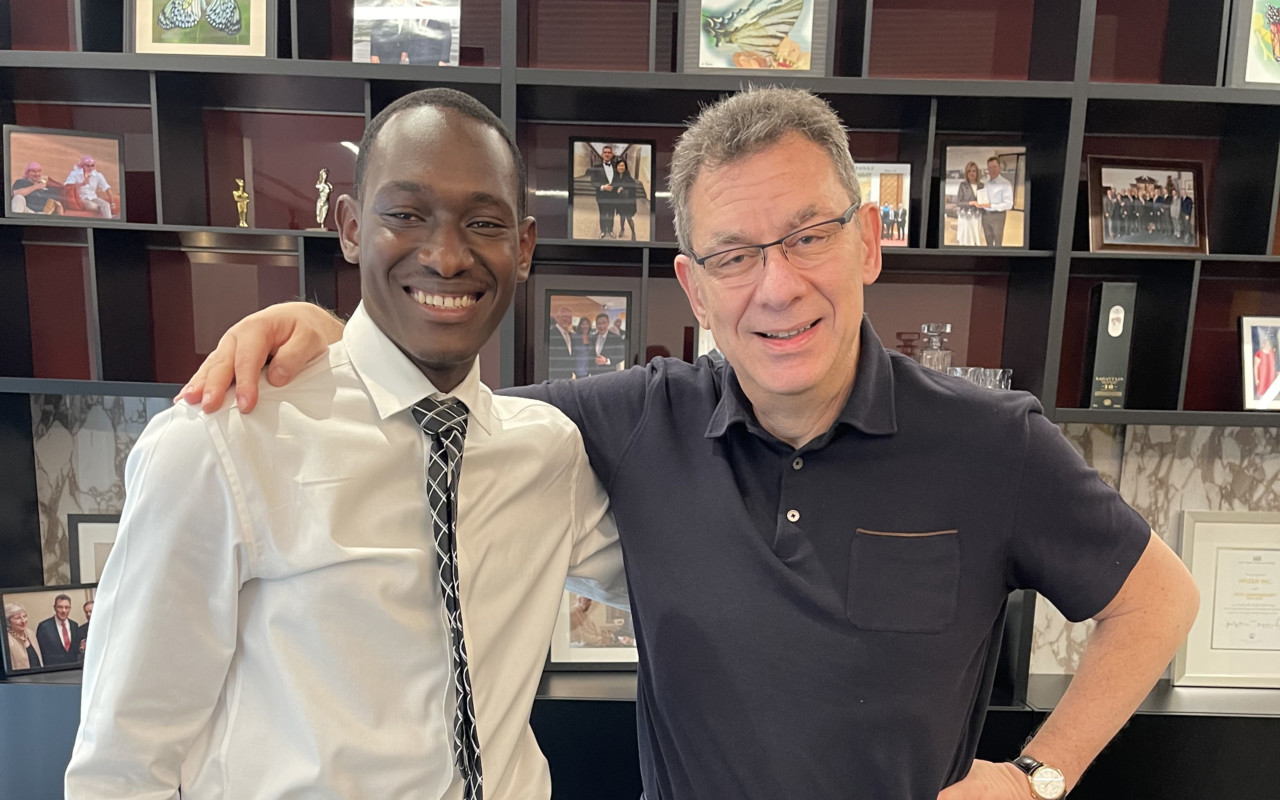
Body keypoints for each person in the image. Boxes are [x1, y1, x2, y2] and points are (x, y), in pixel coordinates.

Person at [183, 87, 1200, 800]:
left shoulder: (992, 443)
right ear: (693, 284)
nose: (776, 284)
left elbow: (1157, 596)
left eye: (807, 234)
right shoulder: (624, 422)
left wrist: (1038, 773)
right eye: (734, 253)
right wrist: (329, 335)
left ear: (867, 240)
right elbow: (445, 400)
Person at [65, 87, 625, 800]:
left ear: (522, 247)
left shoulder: (548, 456)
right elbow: (123, 758)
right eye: (406, 214)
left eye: (483, 222)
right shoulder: (221, 444)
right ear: (353, 228)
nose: (447, 256)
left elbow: (681, 584)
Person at [35, 593, 80, 666]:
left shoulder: (74, 625)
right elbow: (41, 653)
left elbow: (75, 650)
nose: (64, 610)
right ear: (54, 608)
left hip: (72, 670)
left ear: (70, 608)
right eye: (60, 607)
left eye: (67, 607)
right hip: (53, 671)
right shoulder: (44, 627)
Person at [979, 156, 1014, 247]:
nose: (992, 170)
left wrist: (992, 206)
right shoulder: (986, 183)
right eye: (990, 167)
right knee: (988, 241)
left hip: (998, 216)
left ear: (999, 167)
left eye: (994, 166)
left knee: (998, 242)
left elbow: (1009, 204)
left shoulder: (1006, 184)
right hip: (985, 216)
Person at [588, 144, 618, 238]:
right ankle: (603, 231)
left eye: (609, 152)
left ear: (612, 154)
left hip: (614, 195)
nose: (607, 154)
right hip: (602, 195)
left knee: (611, 214)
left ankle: (610, 230)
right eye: (605, 152)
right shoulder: (596, 167)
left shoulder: (617, 166)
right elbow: (593, 182)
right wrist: (602, 187)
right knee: (603, 213)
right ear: (602, 154)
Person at [612, 157, 644, 240]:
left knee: (629, 218)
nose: (621, 167)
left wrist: (623, 188)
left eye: (622, 166)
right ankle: (622, 229)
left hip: (628, 202)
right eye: (619, 166)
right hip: (619, 201)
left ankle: (633, 232)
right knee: (621, 216)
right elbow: (614, 186)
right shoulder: (615, 177)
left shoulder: (629, 178)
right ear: (616, 167)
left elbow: (633, 189)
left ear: (625, 167)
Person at [4, 602, 43, 672]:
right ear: (8, 621)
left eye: (24, 616)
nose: (23, 621)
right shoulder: (6, 640)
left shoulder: (31, 633)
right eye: (18, 618)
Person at [548, 304, 583, 379]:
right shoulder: (550, 334)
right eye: (564, 316)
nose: (567, 319)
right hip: (555, 377)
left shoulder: (571, 335)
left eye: (569, 317)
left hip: (567, 377)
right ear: (557, 318)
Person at [953, 161, 984, 246]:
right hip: (966, 216)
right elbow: (958, 202)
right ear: (966, 173)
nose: (971, 173)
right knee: (966, 239)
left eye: (974, 171)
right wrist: (971, 203)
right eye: (969, 171)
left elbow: (984, 200)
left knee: (976, 239)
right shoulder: (963, 185)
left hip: (977, 216)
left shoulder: (981, 185)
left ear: (977, 172)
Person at [1255, 330, 1278, 400]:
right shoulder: (1259, 353)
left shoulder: (1273, 353)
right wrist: (1256, 379)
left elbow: (1275, 364)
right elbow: (1255, 367)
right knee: (1262, 392)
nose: (1268, 345)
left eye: (1269, 344)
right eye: (1266, 343)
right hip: (1262, 376)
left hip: (1271, 376)